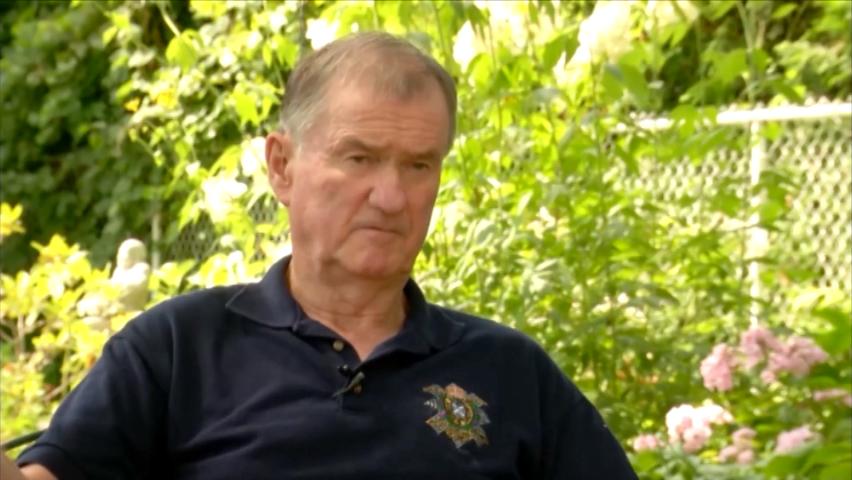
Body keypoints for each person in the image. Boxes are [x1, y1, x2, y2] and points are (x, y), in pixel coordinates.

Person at [5, 32, 637, 479]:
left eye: (418, 166)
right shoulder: (176, 350)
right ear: (282, 166)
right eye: (359, 158)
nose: (391, 197)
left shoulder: (509, 370)